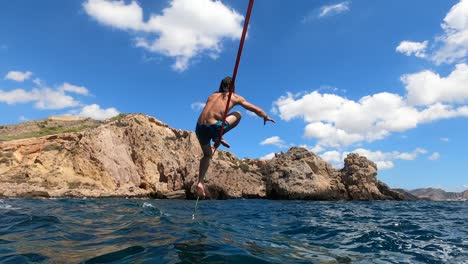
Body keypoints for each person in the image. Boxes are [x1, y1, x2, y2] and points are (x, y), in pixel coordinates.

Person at [195, 76, 275, 198]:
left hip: (199, 128)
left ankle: (200, 181)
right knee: (238, 114)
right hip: (214, 127)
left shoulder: (211, 96)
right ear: (232, 86)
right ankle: (218, 136)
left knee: (207, 155)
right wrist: (265, 116)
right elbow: (254, 109)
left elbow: (213, 110)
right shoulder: (235, 97)